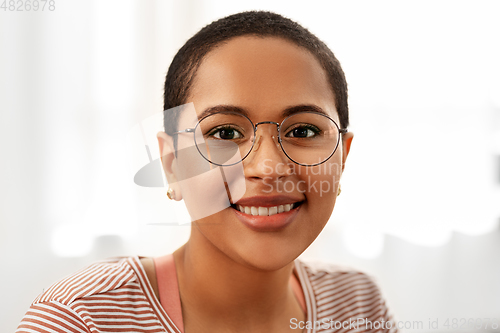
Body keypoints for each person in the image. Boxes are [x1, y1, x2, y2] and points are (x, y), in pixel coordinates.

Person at [17, 11, 398, 333]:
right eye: (224, 132)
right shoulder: (79, 319)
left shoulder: (359, 306)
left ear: (342, 159)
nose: (268, 167)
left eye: (303, 131)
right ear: (171, 163)